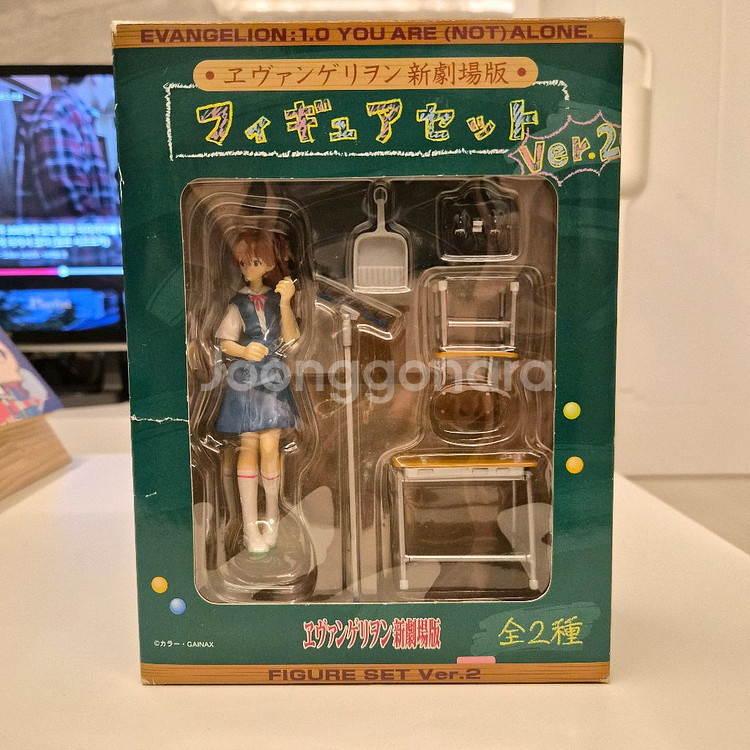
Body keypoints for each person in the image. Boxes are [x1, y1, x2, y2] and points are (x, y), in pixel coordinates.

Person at [214, 228, 300, 556]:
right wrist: (243, 350)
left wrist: (287, 303)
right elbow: (224, 341)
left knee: (270, 444)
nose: (247, 269)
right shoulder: (237, 303)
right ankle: (250, 528)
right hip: (245, 377)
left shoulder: (278, 300)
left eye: (253, 262)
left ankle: (272, 518)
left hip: (274, 375)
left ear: (268, 264)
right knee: (248, 444)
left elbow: (291, 340)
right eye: (242, 263)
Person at [15, 74, 118, 219]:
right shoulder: (58, 110)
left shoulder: (71, 113)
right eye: (114, 80)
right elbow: (69, 210)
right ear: (97, 77)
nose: (114, 90)